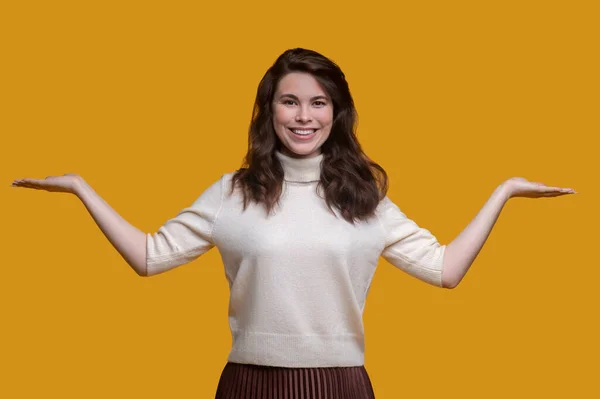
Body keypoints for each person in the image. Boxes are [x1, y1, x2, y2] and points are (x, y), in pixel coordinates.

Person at [11, 48, 576, 398]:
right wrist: (83, 189)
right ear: (269, 110)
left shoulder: (365, 199)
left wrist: (502, 193)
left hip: (341, 384)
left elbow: (446, 270)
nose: (304, 116)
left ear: (338, 111)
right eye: (289, 101)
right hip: (248, 383)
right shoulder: (232, 192)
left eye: (318, 102)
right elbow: (151, 256)